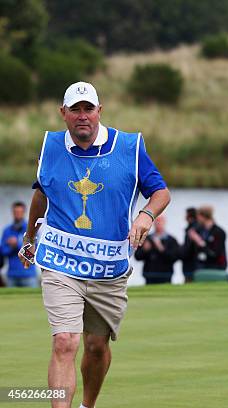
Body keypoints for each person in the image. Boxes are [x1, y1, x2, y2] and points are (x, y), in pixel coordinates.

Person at [19, 82, 170, 408]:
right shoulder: (51, 147)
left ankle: (88, 404)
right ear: (64, 114)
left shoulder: (129, 147)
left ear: (99, 111)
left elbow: (161, 193)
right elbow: (41, 195)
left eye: (89, 108)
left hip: (109, 269)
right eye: (75, 109)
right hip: (60, 263)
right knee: (64, 342)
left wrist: (145, 216)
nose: (82, 115)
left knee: (96, 347)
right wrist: (30, 238)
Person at [134, 215, 179, 284]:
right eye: (157, 222)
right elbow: (137, 257)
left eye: (160, 222)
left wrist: (161, 249)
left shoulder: (171, 240)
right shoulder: (146, 238)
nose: (158, 224)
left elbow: (174, 257)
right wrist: (144, 250)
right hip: (149, 274)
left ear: (164, 222)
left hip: (166, 274)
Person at [1, 201, 37, 287]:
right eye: (15, 212)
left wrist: (17, 244)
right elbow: (3, 251)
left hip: (28, 274)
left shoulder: (30, 230)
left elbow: (34, 252)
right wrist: (12, 247)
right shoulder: (7, 230)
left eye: (20, 212)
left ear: (24, 212)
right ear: (12, 213)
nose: (17, 214)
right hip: (12, 274)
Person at [188, 205, 227, 270]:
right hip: (201, 266)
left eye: (198, 216)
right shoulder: (198, 230)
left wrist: (199, 241)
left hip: (217, 267)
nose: (197, 219)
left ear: (203, 217)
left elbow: (216, 253)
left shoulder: (219, 232)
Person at [180, 207, 198, 283]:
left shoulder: (192, 229)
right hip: (193, 265)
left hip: (191, 265)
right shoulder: (194, 228)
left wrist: (180, 252)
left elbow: (188, 249)